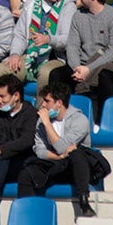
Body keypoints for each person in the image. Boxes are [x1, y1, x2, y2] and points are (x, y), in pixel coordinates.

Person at [16, 81, 97, 218]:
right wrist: (58, 157)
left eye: (47, 101)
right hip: (54, 163)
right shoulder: (41, 122)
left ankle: (84, 200)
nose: (43, 105)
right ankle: (26, 215)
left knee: (77, 154)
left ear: (59, 103)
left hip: (75, 168)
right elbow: (40, 150)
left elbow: (61, 147)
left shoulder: (80, 120)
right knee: (26, 173)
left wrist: (48, 124)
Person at [51, 0, 113, 122]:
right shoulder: (78, 16)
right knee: (57, 75)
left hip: (104, 65)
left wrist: (89, 69)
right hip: (80, 66)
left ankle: (101, 121)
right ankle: (59, 117)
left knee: (105, 78)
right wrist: (77, 68)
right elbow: (72, 46)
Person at [0, 0, 75, 92]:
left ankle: (41, 110)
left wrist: (49, 40)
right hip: (31, 53)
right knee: (3, 70)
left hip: (55, 57)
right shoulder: (31, 3)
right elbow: (20, 34)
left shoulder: (68, 6)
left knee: (45, 73)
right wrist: (15, 54)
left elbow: (67, 39)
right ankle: (16, 106)